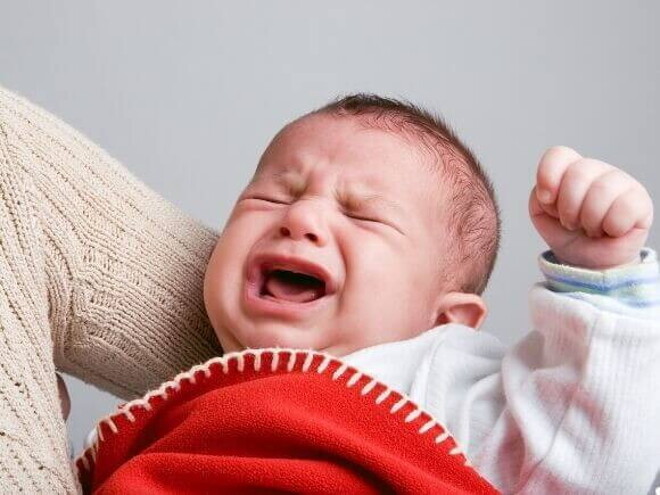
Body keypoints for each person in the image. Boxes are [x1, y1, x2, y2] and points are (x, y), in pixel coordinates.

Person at [0, 85, 657, 493]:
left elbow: (594, 452)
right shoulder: (185, 406)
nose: (301, 217)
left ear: (447, 320)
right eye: (270, 195)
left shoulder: (435, 379)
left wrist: (604, 280)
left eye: (362, 214)